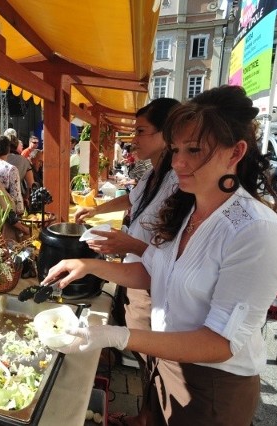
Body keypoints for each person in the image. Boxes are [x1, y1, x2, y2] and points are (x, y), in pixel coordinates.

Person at [43, 86, 277, 425]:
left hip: (212, 385)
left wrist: (117, 335)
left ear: (235, 153)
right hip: (167, 360)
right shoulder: (190, 211)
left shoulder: (255, 231)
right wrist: (88, 265)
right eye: (176, 149)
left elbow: (221, 343)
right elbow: (151, 273)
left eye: (194, 150)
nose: (178, 163)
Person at [74, 97, 180, 426]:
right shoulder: (152, 175)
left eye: (142, 131)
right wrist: (95, 210)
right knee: (147, 361)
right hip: (136, 275)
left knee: (155, 361)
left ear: (167, 134)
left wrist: (127, 242)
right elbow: (131, 198)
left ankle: (150, 417)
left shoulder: (179, 179)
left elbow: (173, 250)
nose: (135, 138)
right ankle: (145, 415)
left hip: (153, 284)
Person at [0, 135, 25, 216]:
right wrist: (20, 212)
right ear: (8, 149)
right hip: (6, 212)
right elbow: (16, 195)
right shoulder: (11, 169)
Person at [6, 134, 34, 207]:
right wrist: (25, 197)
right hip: (16, 198)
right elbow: (31, 184)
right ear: (16, 145)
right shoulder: (24, 161)